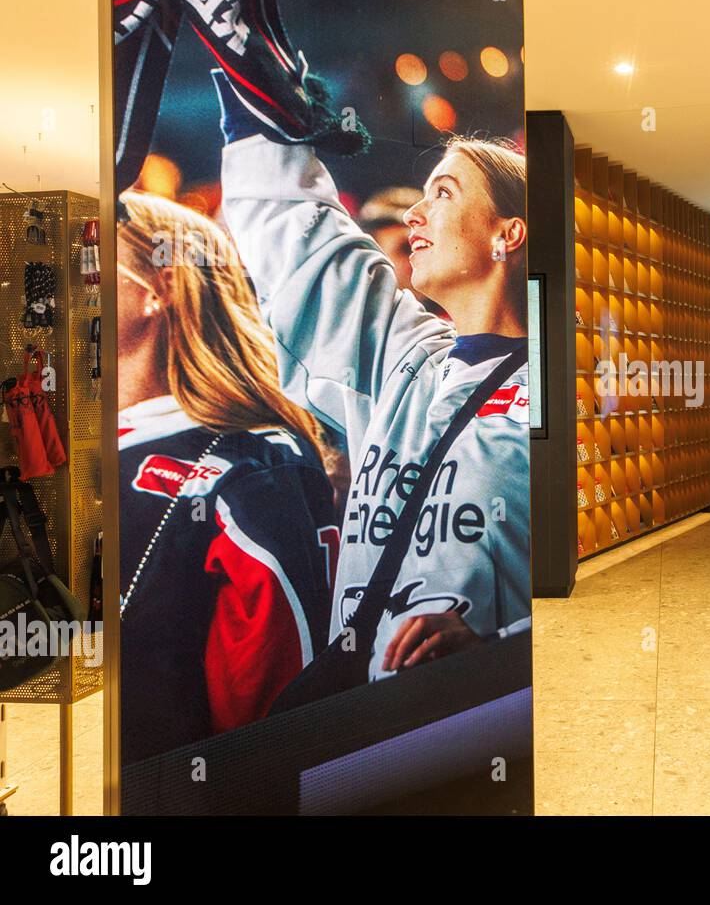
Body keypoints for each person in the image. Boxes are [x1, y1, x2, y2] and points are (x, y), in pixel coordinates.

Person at [211, 76, 532, 684]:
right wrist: (251, 103)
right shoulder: (408, 358)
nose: (415, 212)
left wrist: (502, 644)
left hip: (488, 725)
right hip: (372, 725)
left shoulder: (571, 390)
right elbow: (311, 253)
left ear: (506, 234)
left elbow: (613, 573)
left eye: (442, 192)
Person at [115, 190, 338, 763]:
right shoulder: (44, 450)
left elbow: (269, 729)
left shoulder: (252, 466)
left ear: (156, 290)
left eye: (90, 257)